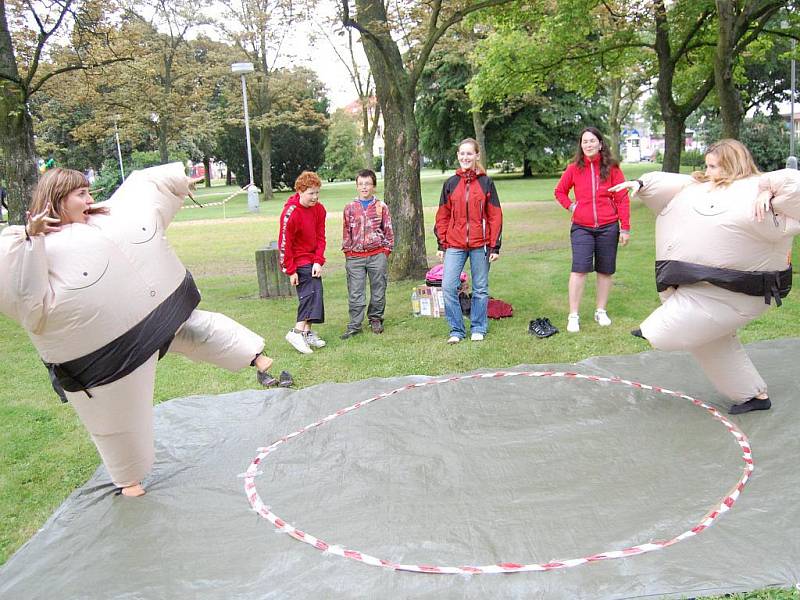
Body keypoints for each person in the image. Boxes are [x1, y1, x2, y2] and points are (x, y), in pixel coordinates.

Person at [0, 164, 285, 498]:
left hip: (161, 316)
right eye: (81, 194)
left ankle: (254, 356)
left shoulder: (111, 219)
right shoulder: (32, 245)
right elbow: (24, 298)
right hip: (106, 356)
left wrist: (178, 179)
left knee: (197, 328)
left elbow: (144, 190)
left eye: (89, 191)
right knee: (118, 419)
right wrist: (31, 239)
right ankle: (129, 479)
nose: (90, 199)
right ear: (58, 199)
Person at [609, 139, 800, 414]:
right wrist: (641, 185)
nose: (708, 171)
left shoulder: (760, 193)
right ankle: (753, 396)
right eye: (707, 165)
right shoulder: (699, 186)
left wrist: (767, 190)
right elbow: (669, 183)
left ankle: (656, 328)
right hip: (694, 283)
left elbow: (793, 182)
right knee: (710, 344)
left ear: (733, 163)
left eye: (714, 166)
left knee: (664, 332)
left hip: (740, 289)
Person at [555, 127, 630, 333]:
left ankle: (600, 311)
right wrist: (571, 206)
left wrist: (625, 228)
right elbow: (560, 191)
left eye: (592, 141)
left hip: (608, 227)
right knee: (579, 270)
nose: (588, 144)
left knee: (605, 270)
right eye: (584, 141)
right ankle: (573, 315)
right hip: (582, 227)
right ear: (581, 145)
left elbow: (622, 197)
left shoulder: (612, 168)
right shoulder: (573, 168)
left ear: (600, 143)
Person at [434, 137, 503, 343]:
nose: (465, 157)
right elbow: (442, 216)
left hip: (480, 244)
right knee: (448, 286)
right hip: (454, 244)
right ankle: (456, 330)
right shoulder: (450, 184)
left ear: (476, 156)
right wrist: (441, 244)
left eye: (469, 153)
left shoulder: (486, 183)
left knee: (480, 288)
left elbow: (495, 216)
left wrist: (494, 246)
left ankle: (478, 327)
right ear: (458, 156)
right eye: (462, 153)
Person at [340, 169, 394, 339]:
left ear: (374, 186)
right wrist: (348, 251)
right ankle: (355, 324)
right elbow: (346, 231)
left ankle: (376, 318)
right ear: (357, 186)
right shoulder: (349, 208)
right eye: (361, 184)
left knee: (378, 289)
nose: (364, 187)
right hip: (355, 257)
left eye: (368, 184)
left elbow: (388, 230)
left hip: (377, 255)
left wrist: (385, 250)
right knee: (356, 292)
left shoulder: (381, 207)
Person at [278, 171, 327, 354]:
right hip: (297, 260)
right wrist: (290, 271)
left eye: (317, 193)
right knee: (309, 292)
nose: (315, 197)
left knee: (317, 292)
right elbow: (284, 244)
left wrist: (318, 261)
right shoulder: (290, 213)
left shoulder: (319, 210)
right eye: (310, 193)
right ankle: (296, 331)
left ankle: (307, 332)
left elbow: (321, 237)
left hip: (312, 258)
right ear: (300, 191)